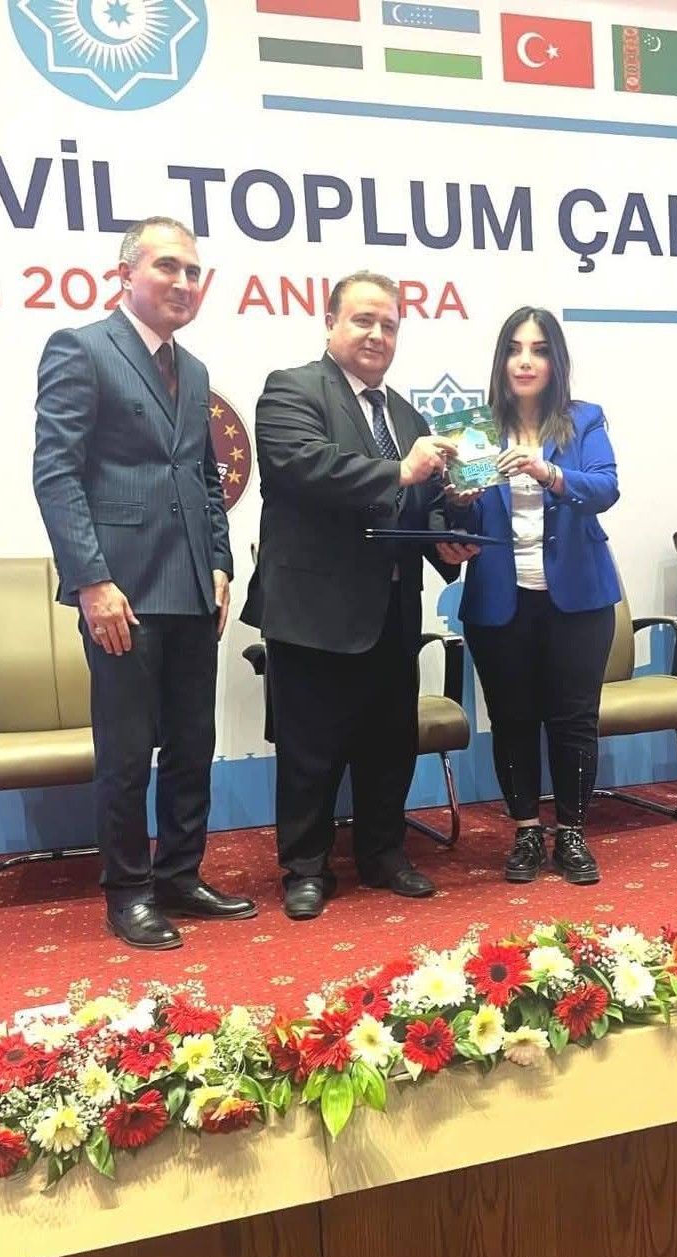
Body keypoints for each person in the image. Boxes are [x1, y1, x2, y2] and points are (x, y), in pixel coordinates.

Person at [31, 217, 253, 950]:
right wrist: (91, 581)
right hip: (121, 592)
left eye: (193, 271)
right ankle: (127, 892)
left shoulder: (194, 370)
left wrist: (218, 564)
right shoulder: (81, 348)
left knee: (192, 746)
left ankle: (180, 875)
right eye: (167, 267)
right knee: (127, 755)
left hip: (191, 587)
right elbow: (56, 473)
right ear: (125, 274)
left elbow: (203, 477)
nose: (183, 282)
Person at [242, 271, 480, 920]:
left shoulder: (407, 415)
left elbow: (420, 506)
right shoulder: (291, 390)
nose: (377, 335)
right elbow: (304, 467)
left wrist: (447, 539)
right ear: (330, 324)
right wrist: (400, 469)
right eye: (363, 320)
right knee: (309, 752)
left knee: (389, 746)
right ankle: (305, 868)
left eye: (389, 325)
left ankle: (383, 853)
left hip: (392, 612)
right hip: (314, 612)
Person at [453, 306, 622, 885]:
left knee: (574, 720)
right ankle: (526, 831)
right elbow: (462, 517)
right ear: (501, 360)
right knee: (512, 719)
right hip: (500, 598)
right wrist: (455, 499)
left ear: (556, 362)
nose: (525, 361)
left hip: (578, 596)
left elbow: (605, 488)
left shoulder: (583, 419)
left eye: (540, 350)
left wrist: (547, 472)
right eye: (515, 349)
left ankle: (571, 833)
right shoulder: (474, 428)